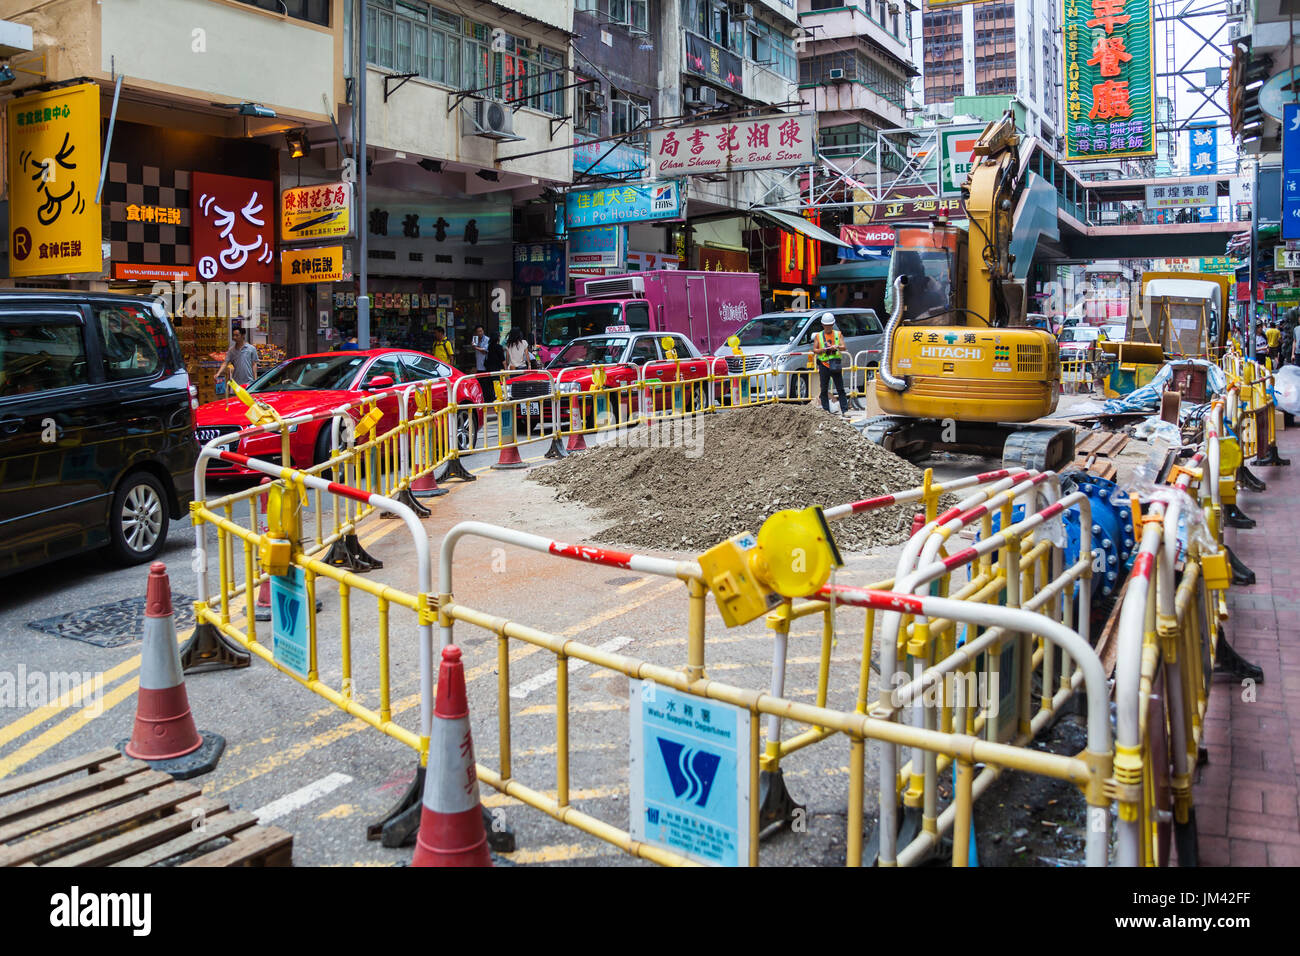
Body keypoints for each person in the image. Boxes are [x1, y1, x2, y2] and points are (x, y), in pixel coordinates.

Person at [813, 313, 850, 416]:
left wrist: (836, 347)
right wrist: (822, 350)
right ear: (822, 325)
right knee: (824, 389)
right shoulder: (818, 336)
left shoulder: (838, 334)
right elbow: (815, 349)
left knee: (840, 388)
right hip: (824, 364)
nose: (828, 327)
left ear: (833, 324)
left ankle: (845, 410)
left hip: (835, 364)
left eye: (829, 325)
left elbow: (844, 347)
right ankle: (826, 411)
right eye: (826, 325)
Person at [216, 325, 259, 390]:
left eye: (237, 335)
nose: (234, 337)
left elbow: (254, 365)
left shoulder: (251, 349)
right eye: (233, 335)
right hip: (236, 383)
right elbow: (225, 363)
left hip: (249, 382)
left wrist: (255, 380)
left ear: (243, 335)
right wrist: (218, 373)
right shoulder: (231, 350)